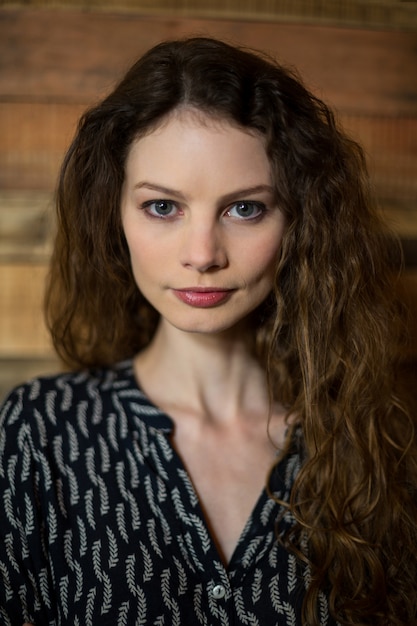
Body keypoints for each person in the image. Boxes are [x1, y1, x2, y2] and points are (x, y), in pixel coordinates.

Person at [0, 36, 416, 626]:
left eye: (244, 208)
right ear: (112, 212)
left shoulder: (376, 445)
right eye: (163, 207)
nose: (202, 255)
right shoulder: (37, 436)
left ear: (298, 220)